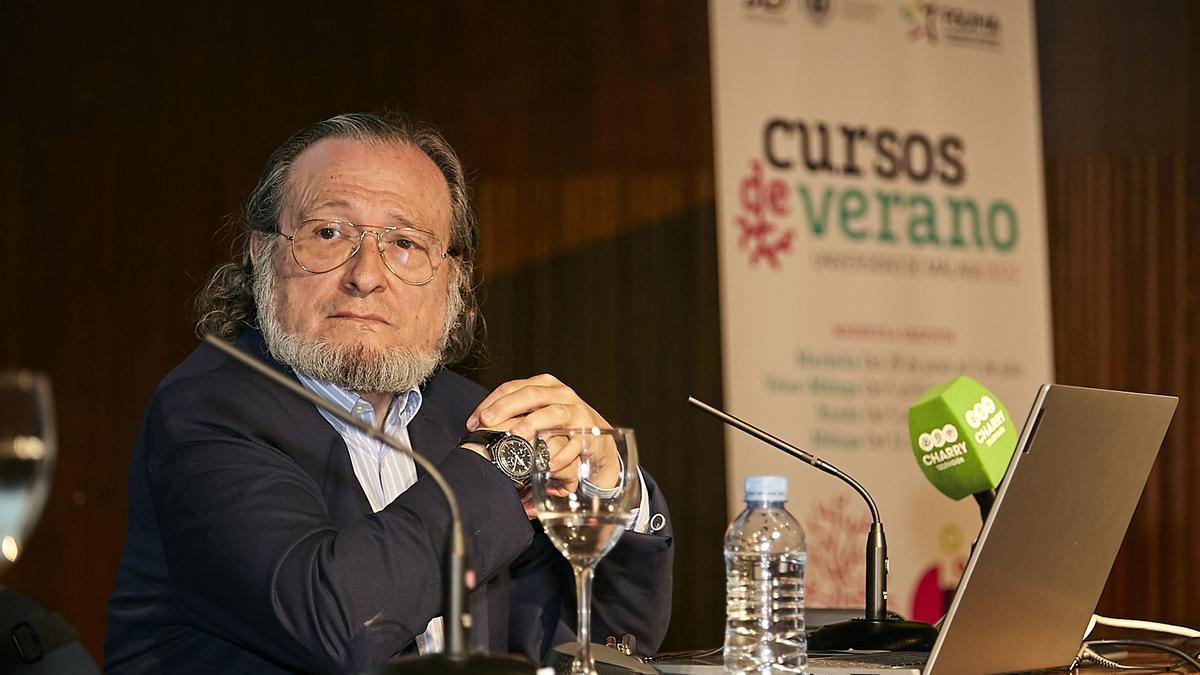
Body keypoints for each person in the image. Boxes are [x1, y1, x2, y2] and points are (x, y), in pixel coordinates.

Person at [105, 112, 673, 674]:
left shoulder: (466, 415)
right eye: (329, 233)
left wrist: (610, 486)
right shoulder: (208, 411)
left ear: (453, 281)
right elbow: (340, 625)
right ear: (261, 255)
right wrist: (501, 463)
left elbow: (586, 645)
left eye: (404, 242)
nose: (366, 274)